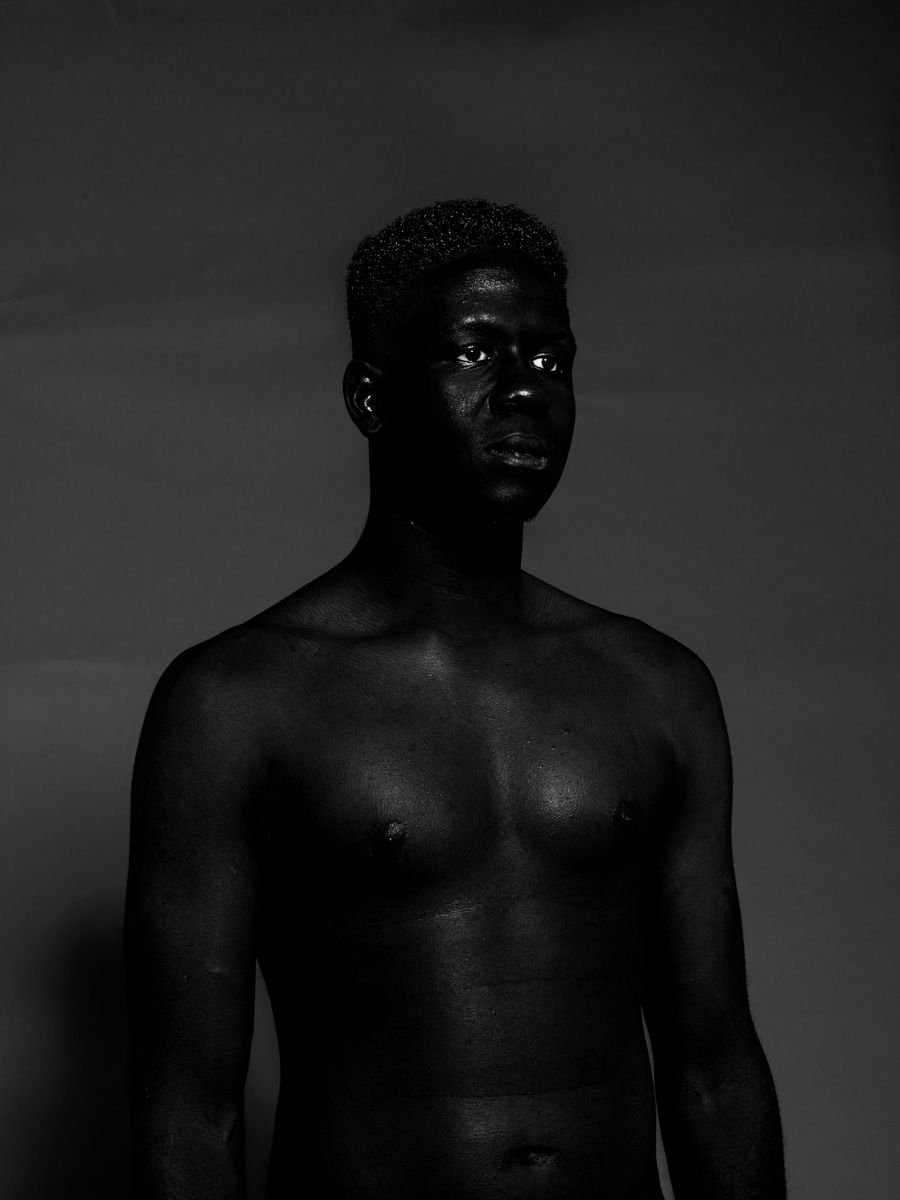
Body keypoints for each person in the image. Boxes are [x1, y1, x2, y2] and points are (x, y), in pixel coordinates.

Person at [125, 198, 786, 1199]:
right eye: (475, 354)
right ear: (371, 397)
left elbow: (715, 1071)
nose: (524, 390)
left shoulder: (658, 688)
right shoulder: (236, 701)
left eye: (551, 361)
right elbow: (189, 1110)